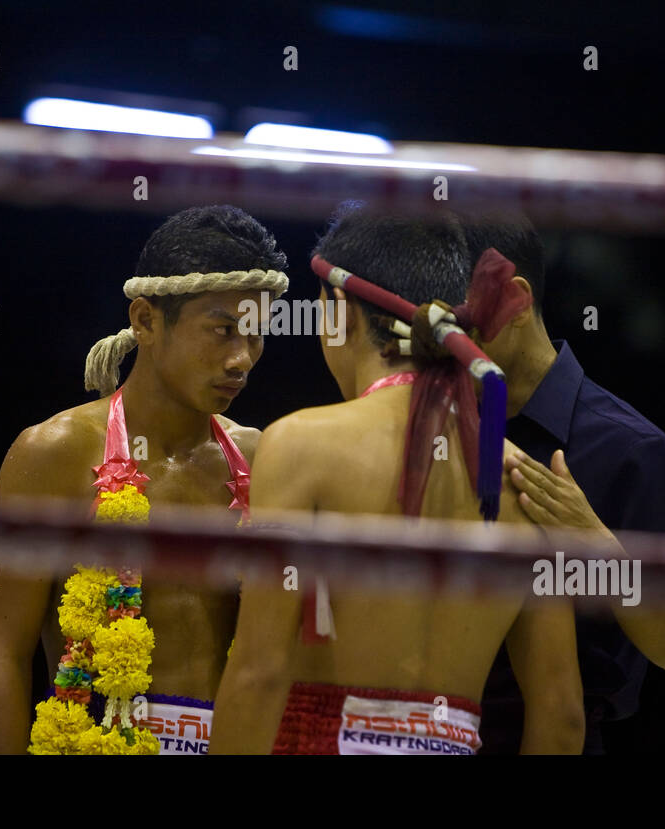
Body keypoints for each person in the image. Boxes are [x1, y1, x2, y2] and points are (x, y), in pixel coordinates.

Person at [210, 205, 586, 755]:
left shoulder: (299, 444)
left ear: (339, 310)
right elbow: (563, 715)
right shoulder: (519, 478)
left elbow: (259, 674)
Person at [0, 204, 288, 754]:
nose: (242, 359)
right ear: (145, 320)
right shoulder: (55, 453)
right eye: (222, 331)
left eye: (256, 335)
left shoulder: (262, 460)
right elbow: (1, 656)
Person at [458, 209, 665, 755]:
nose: (434, 343)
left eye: (450, 321)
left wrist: (599, 551)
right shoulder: (432, 425)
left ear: (512, 300)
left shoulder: (633, 451)